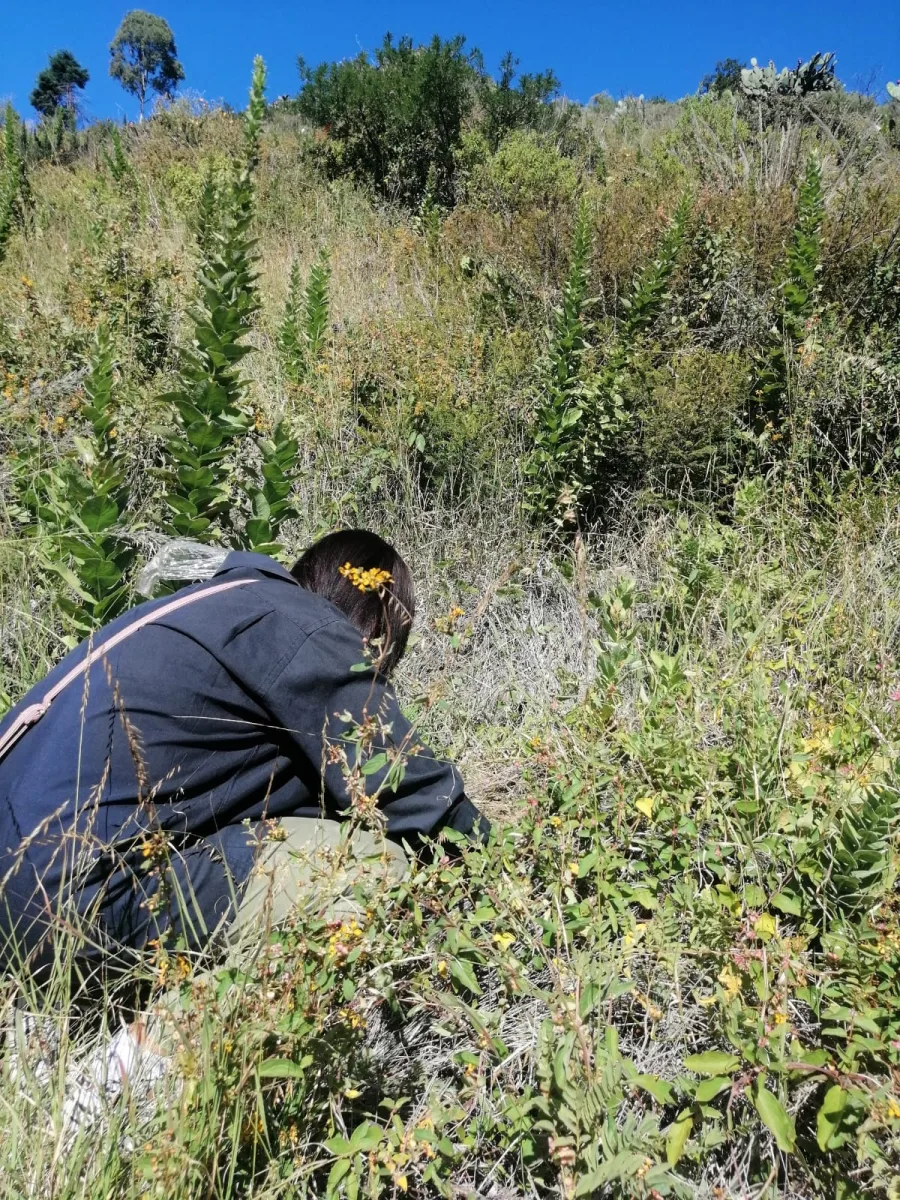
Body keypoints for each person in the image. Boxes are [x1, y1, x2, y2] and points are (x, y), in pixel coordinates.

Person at [0, 530, 488, 981]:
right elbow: (407, 787)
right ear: (376, 623)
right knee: (365, 865)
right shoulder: (302, 628)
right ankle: (146, 1061)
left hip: (24, 883)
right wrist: (507, 869)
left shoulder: (220, 607)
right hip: (63, 899)